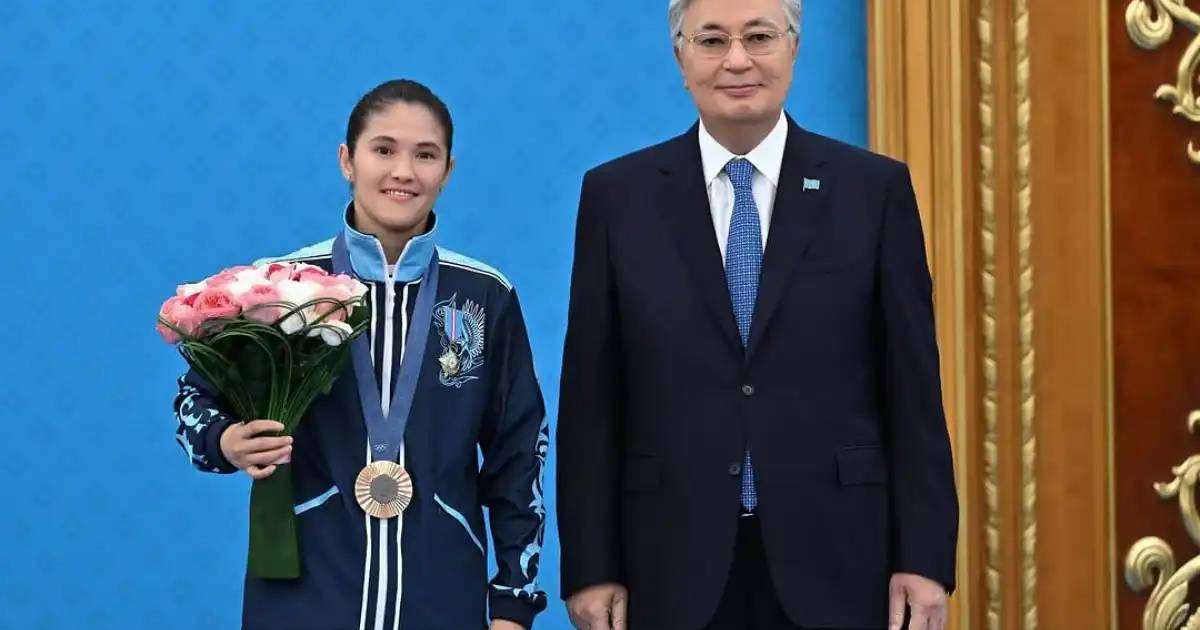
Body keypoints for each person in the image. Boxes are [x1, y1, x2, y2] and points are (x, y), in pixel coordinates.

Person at [556, 1, 958, 629]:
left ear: (793, 48)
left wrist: (925, 557)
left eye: (759, 37)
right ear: (681, 57)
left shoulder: (871, 192)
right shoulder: (618, 197)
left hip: (842, 557)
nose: (737, 59)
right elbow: (592, 399)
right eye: (712, 39)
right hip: (669, 562)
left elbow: (912, 392)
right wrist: (590, 565)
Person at [173, 79, 548, 630]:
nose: (403, 171)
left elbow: (519, 453)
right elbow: (194, 400)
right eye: (384, 149)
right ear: (348, 160)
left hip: (440, 601)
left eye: (426, 155)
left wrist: (514, 604)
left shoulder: (483, 296)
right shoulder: (279, 288)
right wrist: (226, 441)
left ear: (447, 171)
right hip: (304, 598)